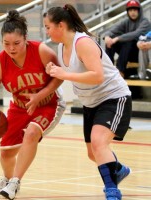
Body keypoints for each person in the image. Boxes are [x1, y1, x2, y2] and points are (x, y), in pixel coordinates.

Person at [0, 10, 66, 200]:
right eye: (6, 44)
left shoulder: (41, 51)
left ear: (25, 38)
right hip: (19, 107)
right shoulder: (0, 63)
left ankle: (15, 181)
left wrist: (40, 95)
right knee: (6, 153)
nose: (11, 48)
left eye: (16, 43)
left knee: (31, 133)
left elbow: (59, 77)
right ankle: (7, 180)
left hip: (48, 104)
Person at [44, 4, 132, 200]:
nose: (46, 31)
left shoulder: (82, 43)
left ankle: (112, 191)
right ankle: (118, 170)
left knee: (99, 144)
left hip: (113, 97)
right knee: (94, 154)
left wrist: (64, 74)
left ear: (60, 26)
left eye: (48, 27)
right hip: (91, 102)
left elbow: (98, 76)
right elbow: (74, 70)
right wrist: (53, 69)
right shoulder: (61, 46)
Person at [103, 0, 151, 78]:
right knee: (110, 42)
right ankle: (109, 69)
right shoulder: (126, 22)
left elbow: (135, 34)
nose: (132, 12)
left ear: (139, 11)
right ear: (127, 12)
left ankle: (120, 71)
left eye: (135, 10)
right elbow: (113, 30)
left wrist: (117, 38)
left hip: (140, 53)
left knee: (128, 41)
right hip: (127, 53)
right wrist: (107, 37)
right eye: (130, 10)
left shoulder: (145, 22)